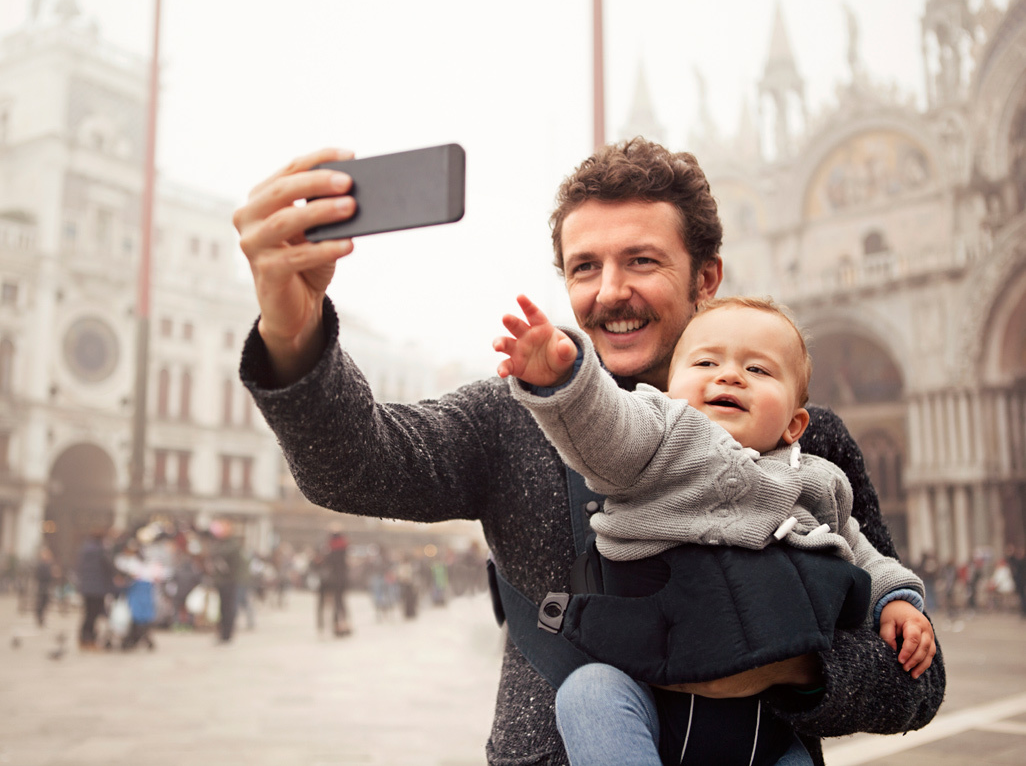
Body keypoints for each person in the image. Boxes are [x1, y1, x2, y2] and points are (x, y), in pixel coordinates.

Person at [234, 138, 945, 764]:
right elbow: (357, 465)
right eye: (584, 268)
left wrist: (794, 669)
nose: (610, 293)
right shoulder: (514, 413)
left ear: (706, 277)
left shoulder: (803, 437)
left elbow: (916, 677)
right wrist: (290, 329)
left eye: (641, 260)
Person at [495, 294, 935, 764]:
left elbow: (859, 551)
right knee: (587, 692)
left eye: (759, 371)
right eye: (706, 362)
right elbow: (604, 428)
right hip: (650, 698)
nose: (729, 375)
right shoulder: (659, 442)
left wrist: (897, 602)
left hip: (768, 728)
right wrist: (566, 382)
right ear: (665, 394)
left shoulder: (819, 481)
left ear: (794, 424)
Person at [74, 526, 118, 651]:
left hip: (87, 587)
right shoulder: (100, 550)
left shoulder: (85, 549)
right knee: (93, 615)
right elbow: (109, 566)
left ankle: (83, 639)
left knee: (88, 614)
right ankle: (90, 640)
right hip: (97, 588)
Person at [315, 530, 352, 636]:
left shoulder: (330, 550)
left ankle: (327, 626)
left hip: (330, 581)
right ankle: (342, 625)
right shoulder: (344, 549)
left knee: (326, 604)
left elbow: (323, 564)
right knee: (340, 603)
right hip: (342, 580)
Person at [34, 546, 59, 628]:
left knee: (45, 602)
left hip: (47, 586)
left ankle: (42, 618)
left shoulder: (49, 565)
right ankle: (39, 618)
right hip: (42, 585)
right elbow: (40, 575)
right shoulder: (41, 565)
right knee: (41, 603)